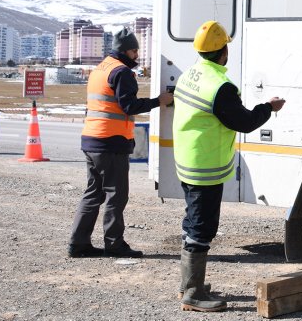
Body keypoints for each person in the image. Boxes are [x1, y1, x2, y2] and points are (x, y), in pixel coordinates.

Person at [173, 20, 285, 312]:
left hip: (187, 160)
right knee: (201, 227)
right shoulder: (219, 86)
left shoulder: (191, 75)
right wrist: (268, 108)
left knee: (191, 222)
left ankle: (189, 284)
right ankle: (194, 294)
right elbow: (244, 122)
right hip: (204, 166)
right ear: (223, 52)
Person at [69, 27, 172, 259]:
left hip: (92, 139)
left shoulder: (100, 68)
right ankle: (114, 244)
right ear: (127, 50)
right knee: (116, 194)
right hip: (111, 141)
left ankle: (78, 243)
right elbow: (129, 106)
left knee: (93, 193)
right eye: (135, 51)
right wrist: (159, 101)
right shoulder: (122, 72)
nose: (137, 56)